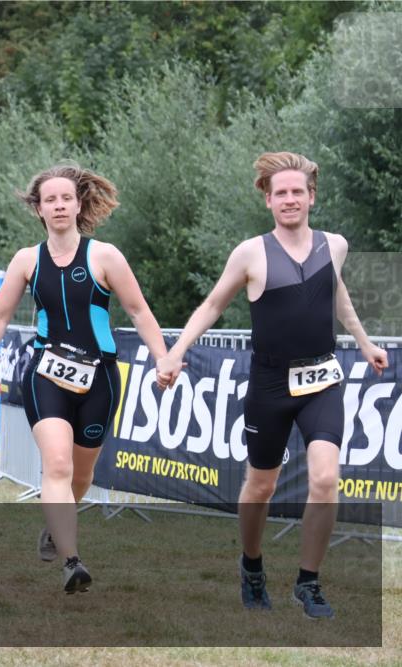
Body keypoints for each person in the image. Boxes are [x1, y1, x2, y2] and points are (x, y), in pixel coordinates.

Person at [156, 151, 389, 618]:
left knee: (325, 479)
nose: (289, 199)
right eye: (280, 193)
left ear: (312, 197)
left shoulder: (335, 245)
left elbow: (337, 293)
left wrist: (364, 342)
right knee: (260, 487)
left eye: (297, 191)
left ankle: (309, 582)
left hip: (322, 379)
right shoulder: (250, 253)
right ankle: (252, 565)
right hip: (270, 384)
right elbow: (212, 306)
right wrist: (175, 352)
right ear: (268, 200)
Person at [0, 164, 169, 593]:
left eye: (67, 198)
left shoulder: (105, 256)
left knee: (81, 475)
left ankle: (56, 526)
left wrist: (163, 357)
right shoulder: (27, 260)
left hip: (99, 378)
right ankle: (72, 561)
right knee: (58, 464)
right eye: (50, 200)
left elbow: (139, 311)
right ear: (39, 209)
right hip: (45, 374)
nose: (59, 206)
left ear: (79, 204)